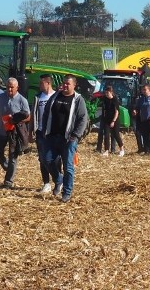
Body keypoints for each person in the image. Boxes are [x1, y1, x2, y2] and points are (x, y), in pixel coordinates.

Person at [42, 75, 88, 203]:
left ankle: (66, 192)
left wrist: (76, 135)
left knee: (68, 167)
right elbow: (46, 112)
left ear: (74, 85)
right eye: (64, 83)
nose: (65, 86)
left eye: (68, 84)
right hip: (52, 136)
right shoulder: (56, 96)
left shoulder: (78, 100)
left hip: (68, 139)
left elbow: (83, 119)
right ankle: (58, 179)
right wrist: (45, 128)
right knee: (46, 160)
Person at [0, 77, 30, 188]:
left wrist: (16, 120)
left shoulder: (22, 100)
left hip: (15, 133)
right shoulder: (1, 97)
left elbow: (28, 117)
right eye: (8, 87)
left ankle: (8, 181)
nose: (9, 90)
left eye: (11, 88)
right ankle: (7, 167)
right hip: (1, 131)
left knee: (13, 156)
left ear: (17, 88)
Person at [33, 74, 60, 194]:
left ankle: (58, 181)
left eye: (41, 83)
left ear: (48, 83)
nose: (39, 85)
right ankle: (46, 183)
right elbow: (34, 114)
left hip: (53, 133)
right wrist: (31, 131)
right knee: (42, 159)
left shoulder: (56, 97)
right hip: (40, 132)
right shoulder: (38, 97)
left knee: (55, 159)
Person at [97, 86, 124, 157]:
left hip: (115, 120)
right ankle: (106, 150)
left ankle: (121, 149)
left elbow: (116, 112)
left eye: (107, 93)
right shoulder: (105, 99)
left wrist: (113, 121)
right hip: (107, 120)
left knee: (116, 134)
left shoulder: (115, 100)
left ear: (111, 92)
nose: (106, 94)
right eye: (105, 92)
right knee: (106, 134)